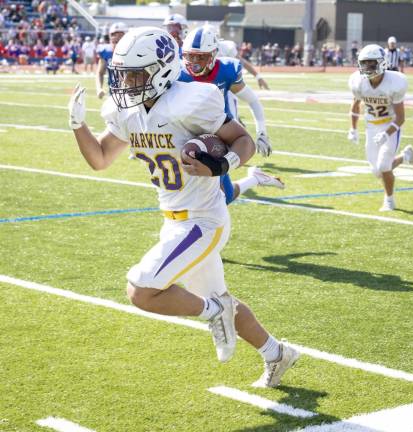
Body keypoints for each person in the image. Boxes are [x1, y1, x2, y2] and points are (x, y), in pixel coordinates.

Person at [68, 26, 300, 387]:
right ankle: (277, 353)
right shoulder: (128, 111)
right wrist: (77, 125)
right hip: (173, 220)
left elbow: (242, 140)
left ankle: (213, 312)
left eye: (134, 73)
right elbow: (99, 159)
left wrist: (225, 166)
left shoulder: (191, 100)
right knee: (221, 298)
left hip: (203, 220)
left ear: (161, 69)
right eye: (122, 73)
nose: (125, 81)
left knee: (141, 291)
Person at [179, 25, 282, 204]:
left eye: (201, 57)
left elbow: (252, 100)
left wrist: (262, 131)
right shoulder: (176, 73)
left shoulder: (226, 70)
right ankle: (255, 178)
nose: (194, 62)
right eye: (190, 55)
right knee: (220, 196)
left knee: (215, 196)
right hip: (186, 130)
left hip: (220, 133)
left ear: (213, 54)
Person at [347, 44, 413, 211]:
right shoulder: (358, 81)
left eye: (371, 64)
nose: (367, 68)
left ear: (382, 63)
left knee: (383, 166)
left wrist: (386, 134)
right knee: (377, 172)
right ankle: (405, 157)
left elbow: (401, 117)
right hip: (371, 126)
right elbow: (355, 105)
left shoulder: (395, 82)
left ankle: (389, 200)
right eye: (364, 64)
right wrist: (353, 129)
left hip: (390, 125)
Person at [95, 21, 128, 99]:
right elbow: (100, 73)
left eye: (119, 34)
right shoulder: (106, 51)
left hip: (131, 93)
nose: (115, 37)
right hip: (113, 93)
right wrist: (99, 88)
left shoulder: (133, 51)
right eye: (113, 34)